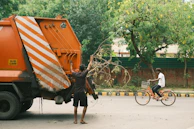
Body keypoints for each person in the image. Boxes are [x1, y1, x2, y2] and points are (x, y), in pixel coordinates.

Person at [70, 55, 93, 124]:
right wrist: (91, 59)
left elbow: (71, 70)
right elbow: (89, 66)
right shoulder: (84, 74)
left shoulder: (76, 74)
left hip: (76, 92)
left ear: (79, 69)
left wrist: (71, 64)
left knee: (75, 106)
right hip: (82, 92)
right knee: (85, 106)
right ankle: (82, 119)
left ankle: (75, 120)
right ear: (84, 69)